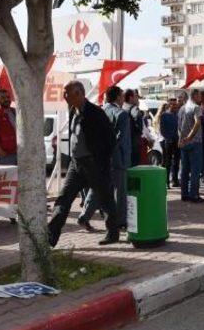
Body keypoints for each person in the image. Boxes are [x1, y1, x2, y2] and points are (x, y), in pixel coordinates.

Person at [48, 81, 119, 246]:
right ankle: (51, 236)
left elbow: (110, 141)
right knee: (63, 199)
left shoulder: (96, 113)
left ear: (79, 93)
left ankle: (113, 233)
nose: (64, 97)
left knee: (106, 199)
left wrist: (101, 162)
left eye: (67, 93)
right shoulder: (73, 110)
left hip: (94, 164)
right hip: (76, 164)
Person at [78, 85, 131, 231]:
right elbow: (119, 139)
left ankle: (84, 217)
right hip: (117, 159)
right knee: (120, 192)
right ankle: (120, 222)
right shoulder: (121, 114)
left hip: (99, 158)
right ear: (118, 97)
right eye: (122, 95)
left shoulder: (98, 111)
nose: (123, 98)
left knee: (97, 189)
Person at [178, 90, 204, 203]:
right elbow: (197, 122)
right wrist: (189, 137)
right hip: (194, 141)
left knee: (184, 169)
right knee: (195, 170)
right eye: (199, 95)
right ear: (195, 96)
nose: (200, 98)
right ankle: (194, 195)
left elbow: (178, 125)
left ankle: (184, 194)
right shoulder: (196, 108)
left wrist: (182, 138)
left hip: (183, 142)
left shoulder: (182, 108)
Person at [160, 99, 180, 187]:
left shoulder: (177, 115)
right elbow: (162, 129)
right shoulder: (164, 115)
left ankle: (175, 180)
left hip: (177, 141)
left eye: (176, 105)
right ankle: (166, 181)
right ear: (169, 105)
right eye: (173, 105)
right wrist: (168, 138)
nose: (176, 106)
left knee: (176, 161)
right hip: (168, 141)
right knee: (167, 162)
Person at [122, 88, 143, 167]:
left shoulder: (121, 107)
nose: (137, 98)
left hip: (124, 144)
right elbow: (137, 118)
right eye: (136, 96)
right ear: (131, 98)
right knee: (134, 168)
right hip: (133, 144)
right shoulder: (134, 108)